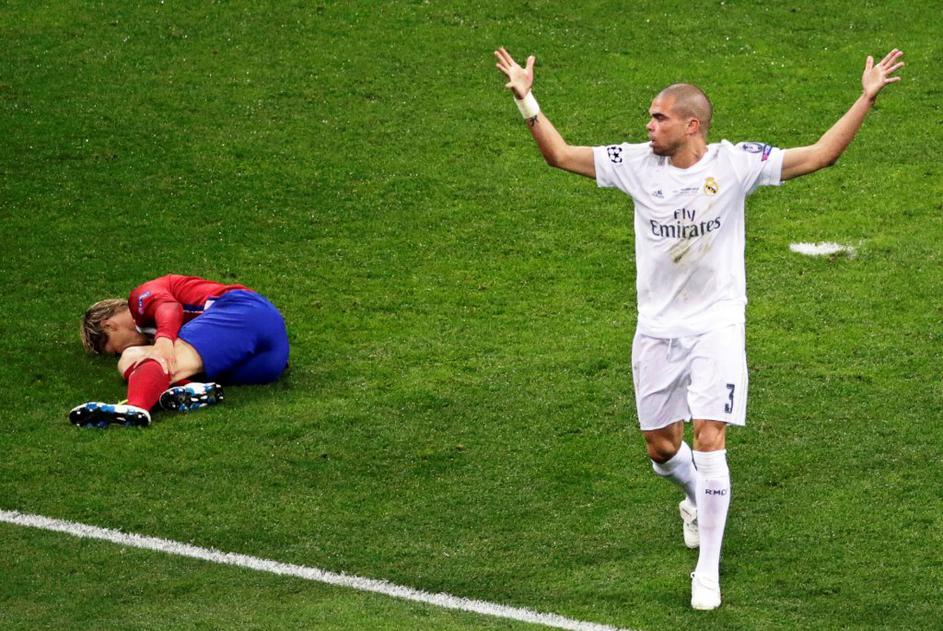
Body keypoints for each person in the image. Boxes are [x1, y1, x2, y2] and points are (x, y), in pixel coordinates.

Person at [494, 46, 903, 609]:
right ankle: (693, 496)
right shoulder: (635, 163)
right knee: (663, 450)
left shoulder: (736, 164)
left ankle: (706, 571)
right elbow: (560, 156)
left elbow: (819, 156)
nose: (648, 125)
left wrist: (866, 97)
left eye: (658, 117)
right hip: (658, 328)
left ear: (691, 125)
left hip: (717, 323)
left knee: (710, 438)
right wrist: (527, 99)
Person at [71, 274, 290, 428]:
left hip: (243, 312)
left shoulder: (139, 299)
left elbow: (169, 308)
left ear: (109, 325)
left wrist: (164, 341)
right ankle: (192, 390)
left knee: (157, 357)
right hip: (267, 361)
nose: (120, 351)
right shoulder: (149, 335)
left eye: (112, 348)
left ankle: (136, 408)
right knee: (131, 358)